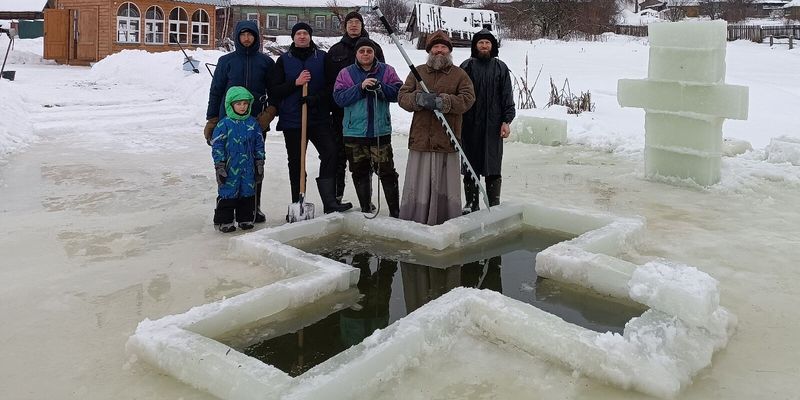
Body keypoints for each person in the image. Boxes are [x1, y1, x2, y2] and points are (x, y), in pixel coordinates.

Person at [268, 22, 352, 214]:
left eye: (305, 33)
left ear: (310, 36)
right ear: (293, 37)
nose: (302, 36)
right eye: (298, 33)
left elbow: (332, 86)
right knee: (296, 162)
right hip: (292, 120)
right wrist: (296, 83)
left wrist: (316, 98)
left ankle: (330, 202)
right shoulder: (283, 60)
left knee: (331, 152)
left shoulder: (322, 57)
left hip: (319, 118)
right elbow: (275, 90)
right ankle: (297, 204)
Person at [397, 31, 475, 225]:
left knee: (446, 183)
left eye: (443, 47)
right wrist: (418, 99)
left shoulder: (459, 74)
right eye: (436, 47)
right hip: (421, 139)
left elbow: (468, 99)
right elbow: (402, 97)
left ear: (449, 50)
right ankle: (415, 217)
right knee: (418, 182)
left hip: (446, 139)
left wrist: (445, 102)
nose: (439, 50)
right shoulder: (418, 72)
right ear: (429, 50)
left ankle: (445, 219)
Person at [204, 20, 275, 223]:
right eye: (243, 34)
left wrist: (268, 113)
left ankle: (253, 208)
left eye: (250, 34)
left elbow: (275, 91)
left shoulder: (265, 62)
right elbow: (216, 91)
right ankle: (225, 210)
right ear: (237, 37)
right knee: (227, 165)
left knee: (254, 166)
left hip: (255, 124)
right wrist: (212, 120)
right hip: (228, 124)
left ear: (256, 37)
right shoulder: (226, 61)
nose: (246, 38)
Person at [332, 38, 403, 217]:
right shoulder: (346, 73)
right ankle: (365, 207)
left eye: (369, 51)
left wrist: (381, 87)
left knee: (387, 172)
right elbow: (339, 98)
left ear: (374, 53)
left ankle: (395, 212)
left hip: (380, 131)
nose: (365, 54)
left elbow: (398, 93)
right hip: (354, 132)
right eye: (362, 51)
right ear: (356, 53)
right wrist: (360, 88)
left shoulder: (387, 71)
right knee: (359, 172)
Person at [325, 11, 386, 207]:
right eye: (350, 22)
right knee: (339, 156)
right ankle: (337, 196)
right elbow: (329, 82)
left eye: (357, 22)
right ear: (345, 26)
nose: (353, 25)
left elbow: (383, 74)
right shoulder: (335, 51)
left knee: (365, 158)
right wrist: (331, 106)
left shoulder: (374, 47)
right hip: (341, 112)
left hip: (368, 112)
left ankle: (366, 201)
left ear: (362, 25)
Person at [459, 29, 515, 213]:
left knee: (493, 165)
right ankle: (471, 204)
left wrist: (506, 121)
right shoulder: (466, 66)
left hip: (493, 125)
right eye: (481, 42)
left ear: (493, 46)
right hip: (470, 124)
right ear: (475, 46)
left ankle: (494, 204)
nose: (484, 46)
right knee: (470, 164)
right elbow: (458, 95)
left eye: (487, 43)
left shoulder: (500, 68)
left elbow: (507, 96)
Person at [210, 86, 266, 233]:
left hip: (248, 167)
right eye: (238, 104)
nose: (242, 107)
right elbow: (217, 145)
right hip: (230, 167)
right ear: (231, 105)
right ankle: (225, 220)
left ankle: (245, 219)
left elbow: (259, 144)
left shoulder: (252, 123)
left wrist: (259, 162)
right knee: (228, 192)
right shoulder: (224, 124)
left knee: (247, 192)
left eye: (245, 103)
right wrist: (220, 165)